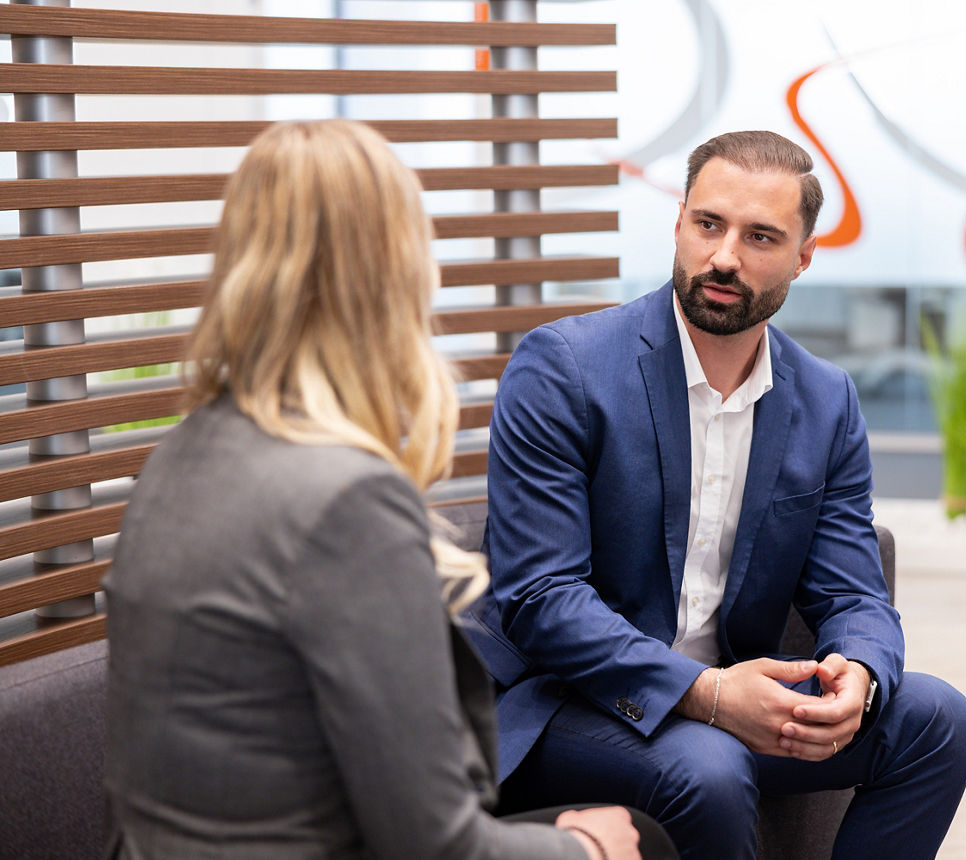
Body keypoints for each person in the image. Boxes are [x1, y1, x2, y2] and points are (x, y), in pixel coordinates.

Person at [102, 119, 676, 860]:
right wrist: (588, 853)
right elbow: (437, 846)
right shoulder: (344, 502)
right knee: (638, 842)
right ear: (395, 273)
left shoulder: (179, 456)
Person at [467, 130, 966, 859]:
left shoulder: (826, 400)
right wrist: (707, 695)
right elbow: (541, 598)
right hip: (570, 703)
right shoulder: (565, 369)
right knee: (708, 766)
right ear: (679, 222)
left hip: (735, 699)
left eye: (761, 236)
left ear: (804, 257)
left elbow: (855, 596)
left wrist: (857, 676)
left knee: (938, 721)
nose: (725, 257)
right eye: (709, 224)